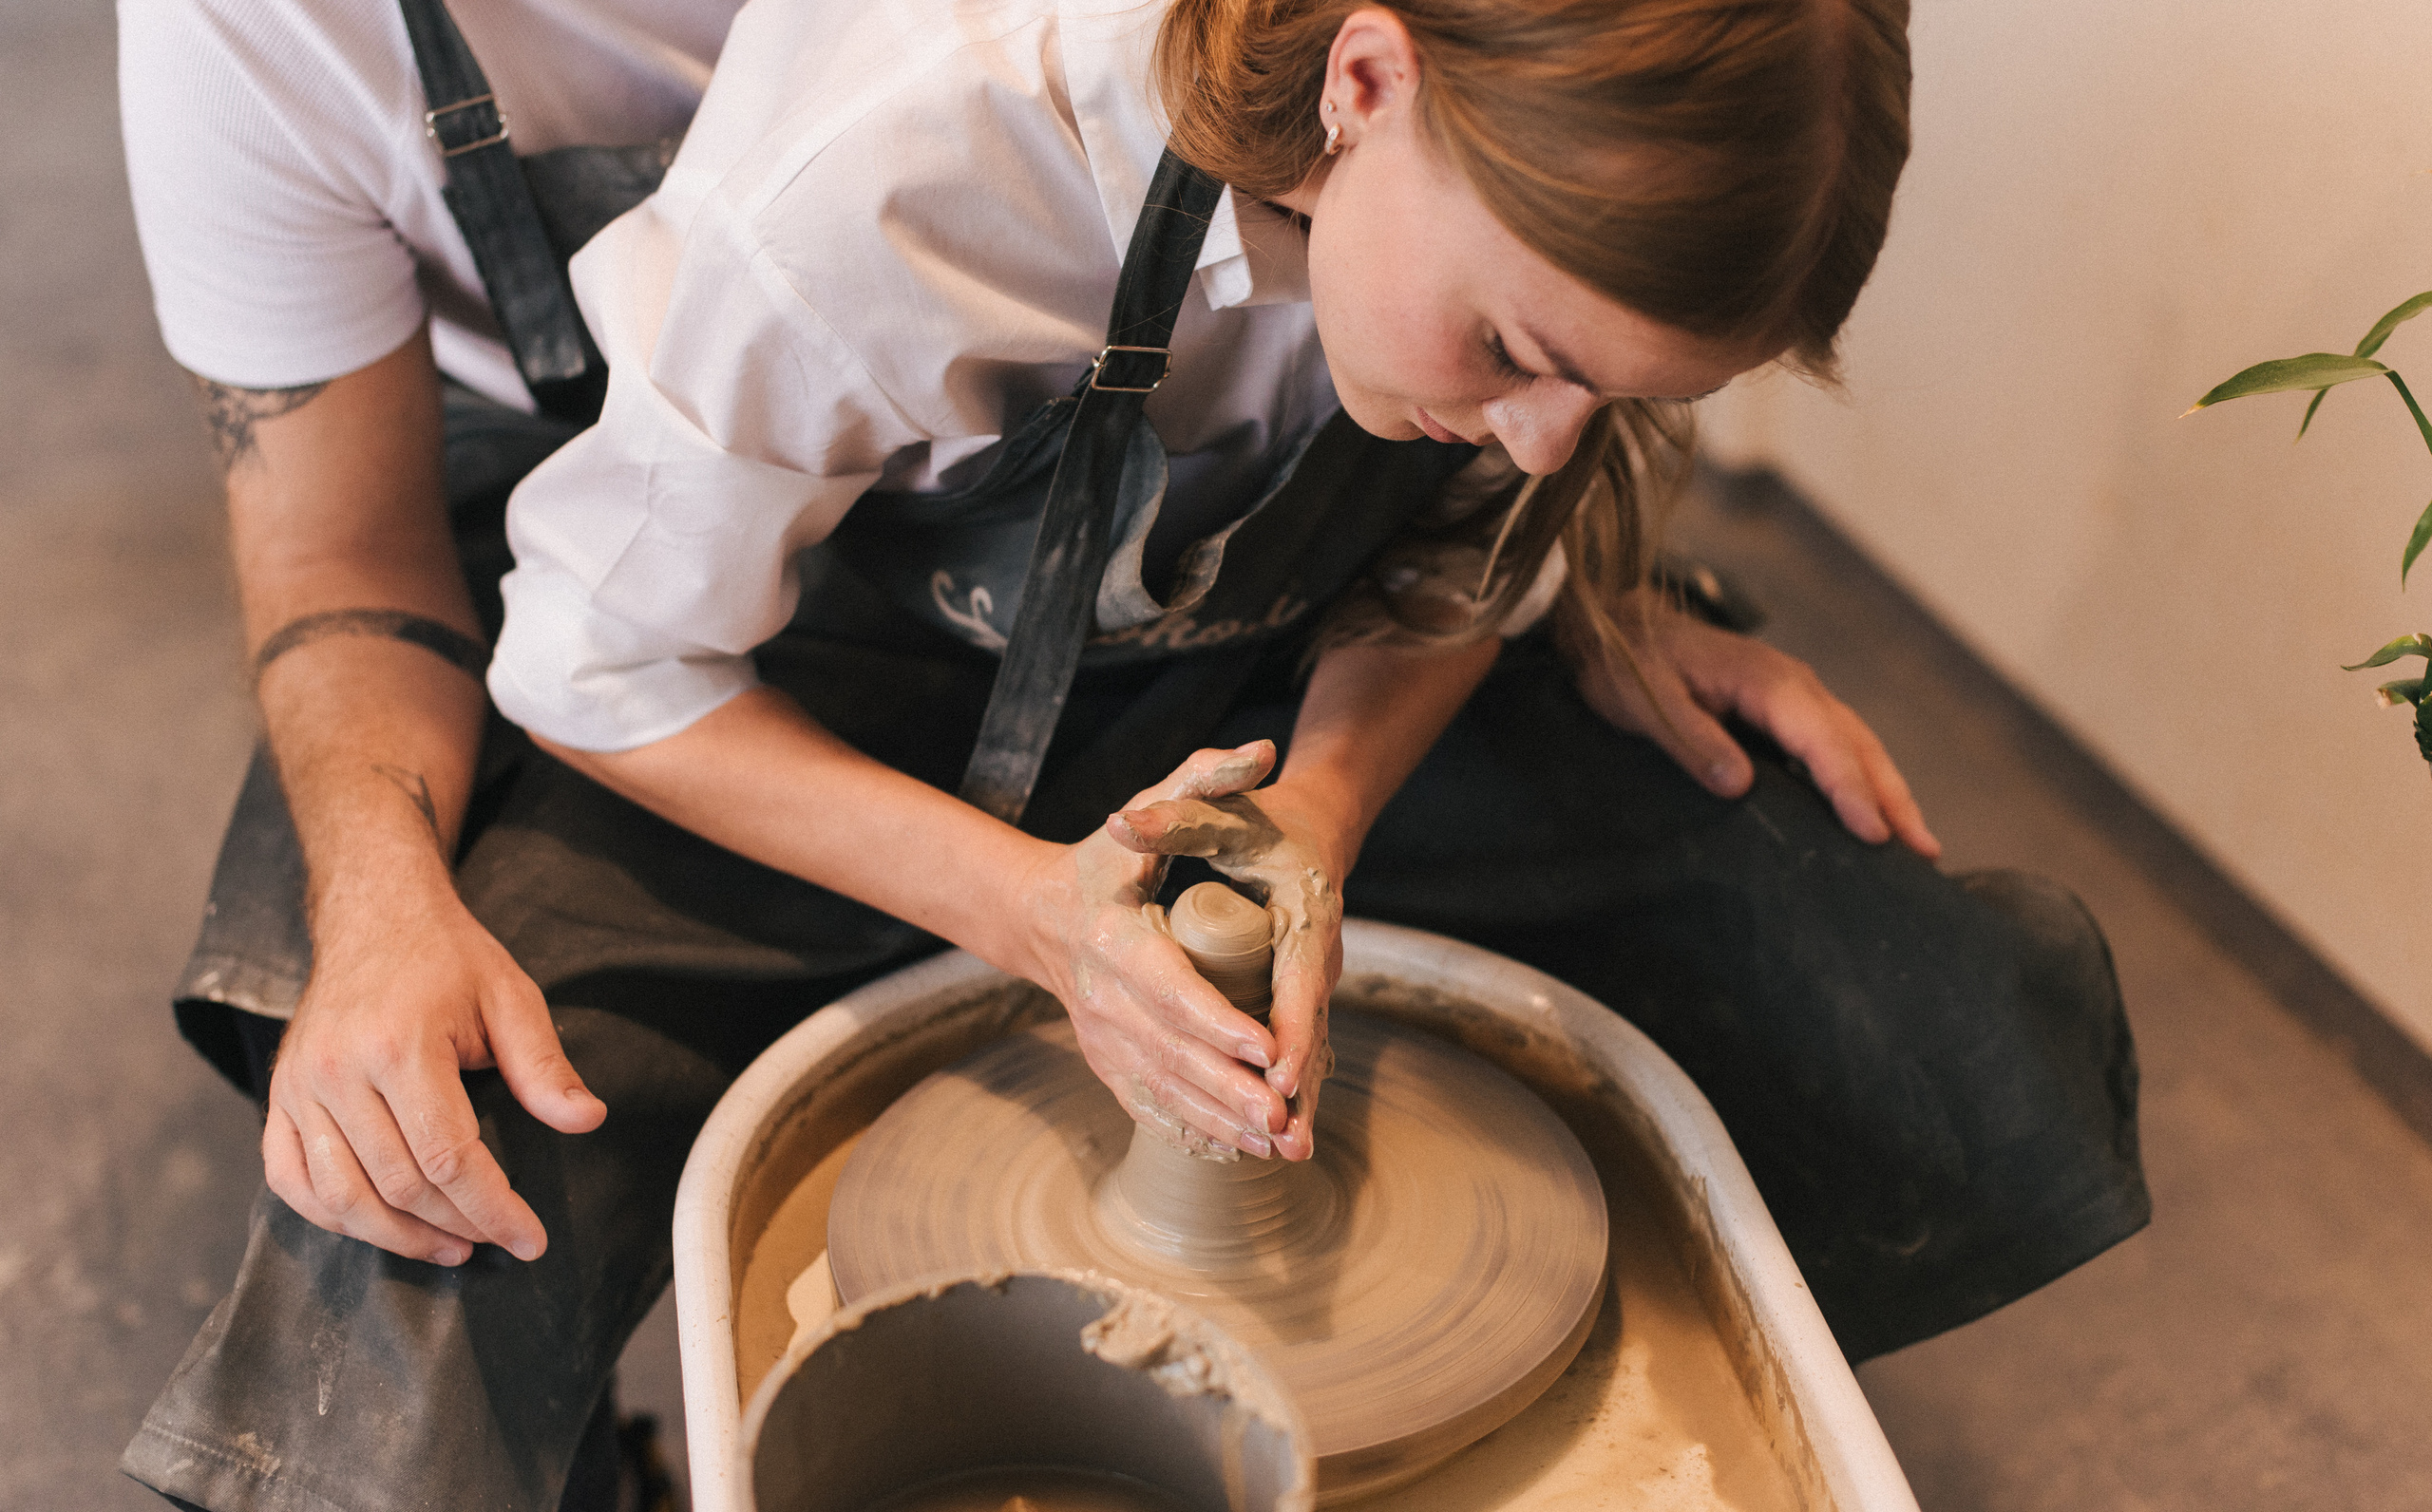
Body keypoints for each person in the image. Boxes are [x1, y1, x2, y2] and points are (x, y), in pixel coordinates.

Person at [134, 0, 2153, 1506]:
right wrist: (1038, 917)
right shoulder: (891, 174)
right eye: (1520, 358)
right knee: (418, 1216)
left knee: (1926, 1002)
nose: (1550, 421)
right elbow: (592, 662)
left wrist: (1333, 804)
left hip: (1241, 668)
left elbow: (1472, 535)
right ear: (1359, 88)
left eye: (1596, 391)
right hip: (761, 698)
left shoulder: (1514, 166)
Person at [114, 0, 744, 1507]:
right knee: (402, 1158)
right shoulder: (245, 23)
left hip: (1031, 485)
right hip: (547, 480)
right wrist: (385, 904)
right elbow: (343, 548)